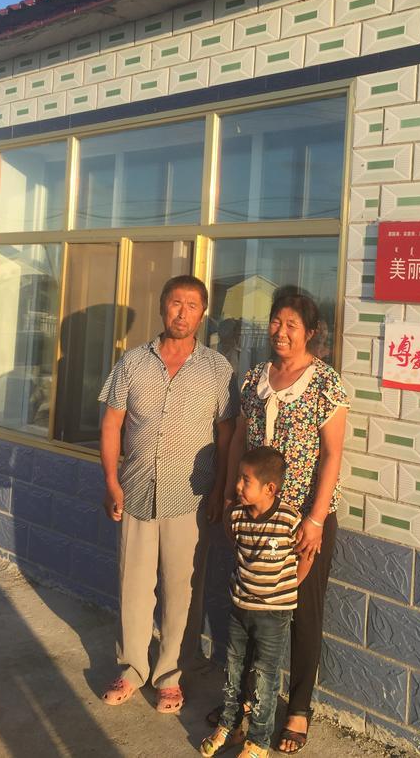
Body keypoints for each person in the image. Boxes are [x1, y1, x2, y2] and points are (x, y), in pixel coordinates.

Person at [98, 274, 238, 712]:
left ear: (203, 314)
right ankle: (131, 669)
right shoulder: (132, 362)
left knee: (183, 592)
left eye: (192, 305)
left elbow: (227, 434)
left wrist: (220, 490)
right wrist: (111, 481)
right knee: (133, 587)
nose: (182, 312)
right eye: (176, 303)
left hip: (191, 498)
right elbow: (112, 423)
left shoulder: (217, 369)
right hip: (136, 491)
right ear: (162, 307)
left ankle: (170, 676)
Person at [223, 290, 349, 753]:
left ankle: (298, 708)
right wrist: (229, 496)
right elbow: (239, 440)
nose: (281, 331)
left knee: (301, 612)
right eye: (276, 321)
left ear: (310, 333)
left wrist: (314, 519)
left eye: (292, 324)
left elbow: (332, 455)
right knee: (252, 608)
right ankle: (247, 703)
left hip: (303, 519)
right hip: (255, 515)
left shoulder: (325, 383)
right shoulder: (255, 377)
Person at [200, 446, 311, 758]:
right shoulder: (235, 516)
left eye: (245, 480)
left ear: (269, 488)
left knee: (265, 677)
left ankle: (259, 742)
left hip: (273, 614)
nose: (237, 486)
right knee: (234, 670)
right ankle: (230, 727)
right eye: (238, 478)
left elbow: (306, 556)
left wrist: (287, 587)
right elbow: (235, 541)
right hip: (240, 607)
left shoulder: (289, 519)